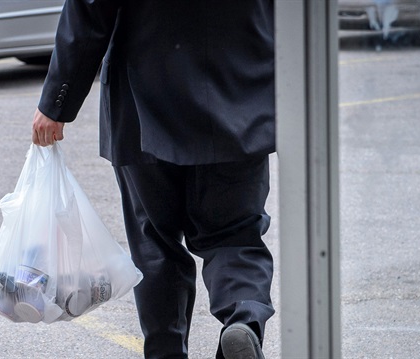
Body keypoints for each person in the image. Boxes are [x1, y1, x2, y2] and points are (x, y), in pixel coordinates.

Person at [32, 1, 275, 358]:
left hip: (146, 98)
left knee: (156, 244)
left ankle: (166, 351)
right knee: (235, 234)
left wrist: (57, 103)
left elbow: (90, 8)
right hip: (239, 93)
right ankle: (243, 320)